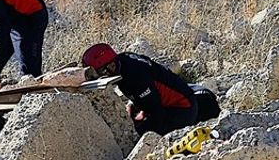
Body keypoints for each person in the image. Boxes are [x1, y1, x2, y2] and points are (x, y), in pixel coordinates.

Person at [81, 43, 220, 135]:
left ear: (108, 67)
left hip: (182, 109)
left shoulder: (135, 76)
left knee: (136, 134)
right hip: (176, 101)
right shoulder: (123, 60)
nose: (99, 76)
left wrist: (140, 131)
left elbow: (156, 111)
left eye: (99, 72)